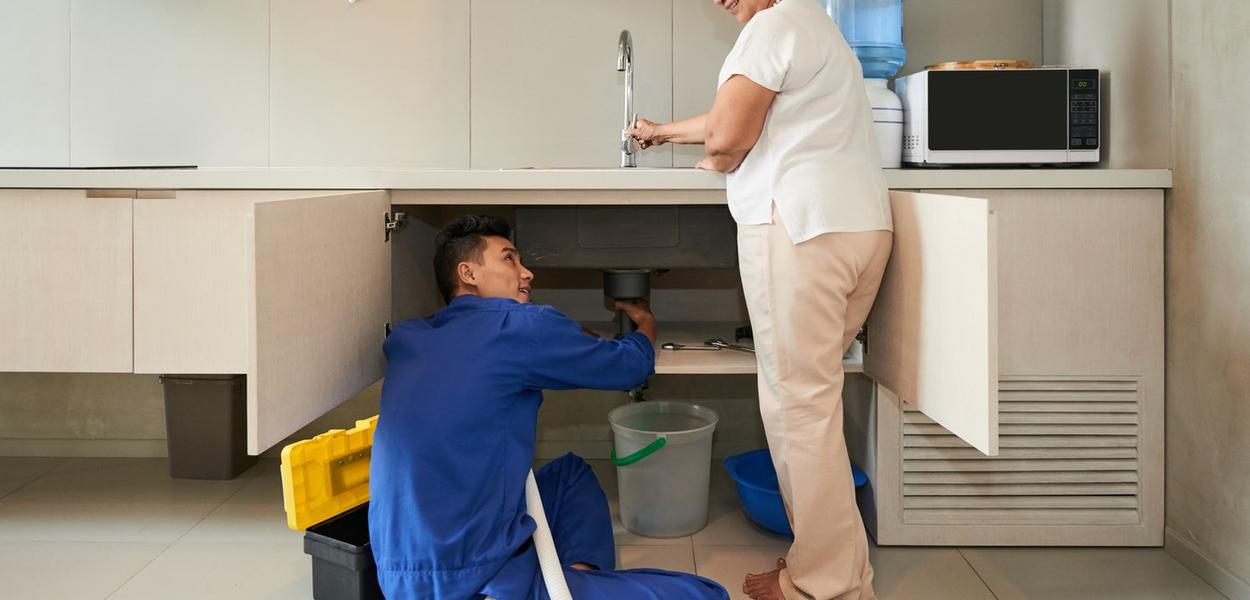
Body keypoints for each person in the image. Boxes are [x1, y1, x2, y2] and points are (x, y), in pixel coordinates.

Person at [629, 0, 893, 598]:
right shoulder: (816, 25)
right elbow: (743, 115)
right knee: (816, 406)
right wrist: (664, 132)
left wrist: (719, 156)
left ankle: (819, 584)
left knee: (798, 410)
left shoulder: (768, 27)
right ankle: (836, 569)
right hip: (859, 228)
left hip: (801, 231)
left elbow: (728, 134)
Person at [368, 215, 729, 600]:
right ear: (467, 272)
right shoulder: (522, 327)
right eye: (509, 260)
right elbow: (630, 367)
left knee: (570, 476)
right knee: (706, 593)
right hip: (476, 582)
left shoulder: (410, 337)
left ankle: (569, 581)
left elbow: (499, 355)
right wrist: (646, 326)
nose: (527, 274)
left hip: (400, 576)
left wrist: (568, 339)